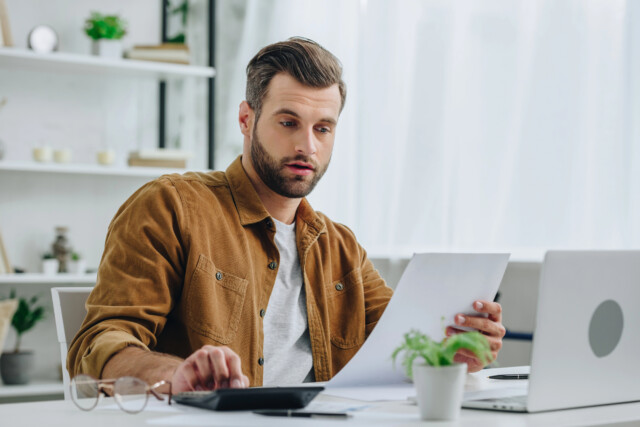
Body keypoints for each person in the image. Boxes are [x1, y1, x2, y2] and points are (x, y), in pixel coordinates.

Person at [67, 37, 505, 393]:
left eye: (322, 128)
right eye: (288, 122)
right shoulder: (173, 207)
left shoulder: (341, 247)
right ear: (246, 118)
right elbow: (99, 342)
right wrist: (173, 376)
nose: (307, 147)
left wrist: (458, 345)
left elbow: (402, 345)